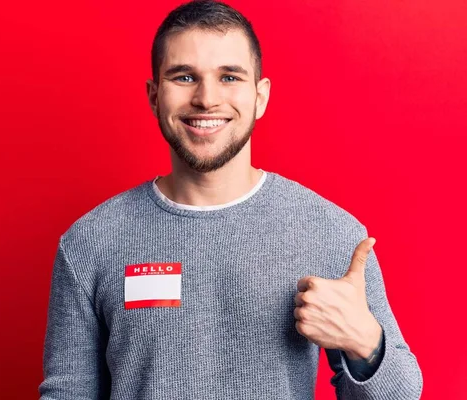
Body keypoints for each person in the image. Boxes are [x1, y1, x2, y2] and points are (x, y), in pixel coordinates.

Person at [38, 1, 423, 399]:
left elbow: (402, 393)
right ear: (155, 97)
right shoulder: (90, 242)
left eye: (229, 77)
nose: (207, 99)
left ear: (260, 96)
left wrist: (366, 344)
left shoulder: (331, 233)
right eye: (184, 77)